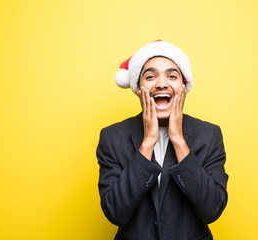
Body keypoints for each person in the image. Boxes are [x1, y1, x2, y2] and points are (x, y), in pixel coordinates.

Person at [96, 40, 228, 240]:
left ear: (183, 86)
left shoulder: (209, 135)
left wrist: (178, 140)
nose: (161, 83)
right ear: (138, 88)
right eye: (150, 76)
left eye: (172, 76)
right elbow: (115, 212)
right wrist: (148, 141)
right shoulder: (112, 137)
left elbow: (212, 209)